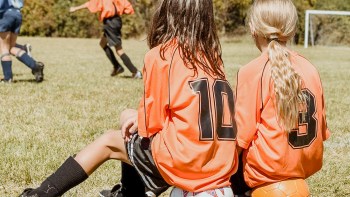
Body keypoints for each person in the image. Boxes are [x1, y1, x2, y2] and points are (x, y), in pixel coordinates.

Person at [19, 0, 239, 196]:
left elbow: (149, 126)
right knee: (135, 136)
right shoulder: (213, 59)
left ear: (166, 12)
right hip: (219, 165)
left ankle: (41, 193)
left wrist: (132, 116)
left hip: (185, 163)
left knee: (111, 139)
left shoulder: (162, 55)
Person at [233, 0, 331, 196]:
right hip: (301, 172)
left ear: (253, 28)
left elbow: (239, 139)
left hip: (265, 175)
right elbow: (322, 132)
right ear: (293, 29)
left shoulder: (252, 71)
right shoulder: (310, 68)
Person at [69, 0, 142, 79]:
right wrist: (117, 11)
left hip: (110, 23)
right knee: (102, 43)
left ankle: (135, 72)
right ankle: (117, 67)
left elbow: (90, 4)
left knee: (119, 50)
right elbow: (129, 9)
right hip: (116, 21)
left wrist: (75, 8)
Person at [0, 0, 44, 83]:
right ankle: (35, 66)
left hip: (5, 14)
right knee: (11, 47)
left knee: (4, 49)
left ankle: (8, 78)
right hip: (17, 14)